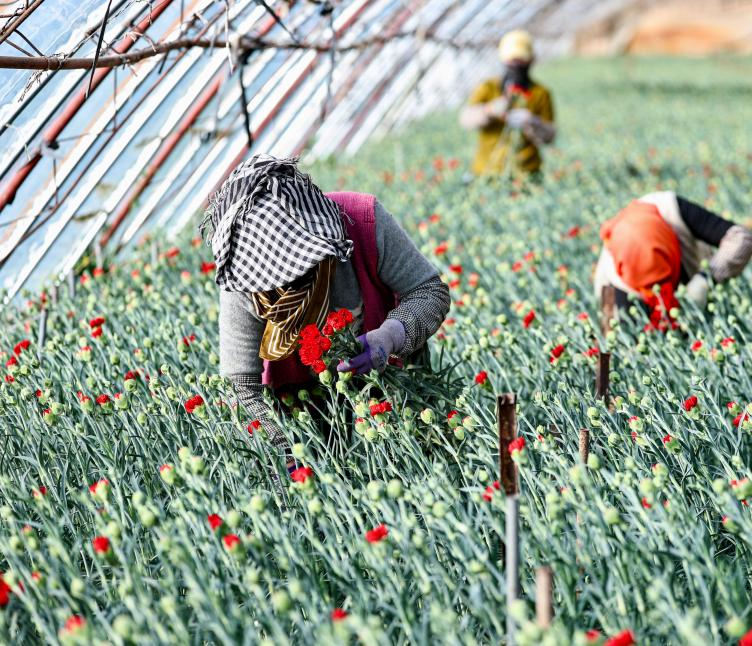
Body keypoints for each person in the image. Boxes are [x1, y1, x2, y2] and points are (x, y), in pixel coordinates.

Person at [201, 155, 450, 467]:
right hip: (303, 408)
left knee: (420, 465)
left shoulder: (361, 222)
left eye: (300, 271)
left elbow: (428, 291)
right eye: (275, 282)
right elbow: (241, 388)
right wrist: (290, 456)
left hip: (394, 386)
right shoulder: (241, 274)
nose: (288, 287)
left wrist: (390, 336)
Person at [594, 191, 752, 329]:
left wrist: (706, 278)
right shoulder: (613, 282)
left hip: (715, 313)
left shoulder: (670, 209)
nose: (660, 287)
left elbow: (741, 239)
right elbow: (620, 344)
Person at [459, 30, 556, 177]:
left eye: (521, 60)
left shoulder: (540, 93)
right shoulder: (488, 87)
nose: (516, 65)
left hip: (527, 172)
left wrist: (532, 122)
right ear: (502, 59)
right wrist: (489, 110)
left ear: (531, 60)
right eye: (511, 60)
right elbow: (466, 119)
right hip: (487, 170)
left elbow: (550, 136)